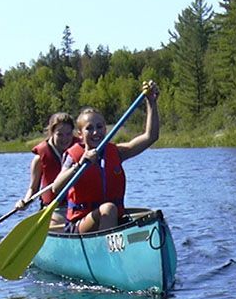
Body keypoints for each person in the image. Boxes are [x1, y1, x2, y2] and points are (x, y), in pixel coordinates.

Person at [48, 80, 161, 233]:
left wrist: (151, 102)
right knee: (108, 208)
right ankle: (108, 253)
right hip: (81, 224)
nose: (96, 132)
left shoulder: (117, 152)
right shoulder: (74, 157)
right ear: (80, 135)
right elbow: (56, 187)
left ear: (106, 129)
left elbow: (150, 136)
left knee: (150, 216)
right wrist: (80, 165)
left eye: (100, 127)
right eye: (89, 128)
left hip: (112, 218)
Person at [16, 112, 74, 210]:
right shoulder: (39, 159)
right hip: (53, 209)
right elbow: (33, 188)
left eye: (68, 134)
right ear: (52, 133)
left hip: (75, 207)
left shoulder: (80, 151)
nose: (65, 139)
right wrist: (25, 201)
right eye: (60, 134)